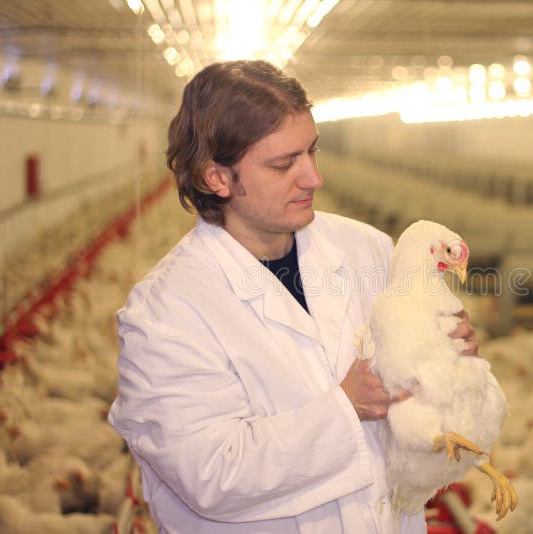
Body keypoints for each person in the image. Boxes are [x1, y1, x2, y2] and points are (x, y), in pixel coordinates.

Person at [108, 60, 478, 534]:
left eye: (312, 152)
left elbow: (419, 408)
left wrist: (447, 358)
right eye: (284, 164)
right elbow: (213, 474)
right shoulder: (165, 313)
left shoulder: (367, 249)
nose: (313, 178)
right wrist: (347, 408)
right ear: (216, 178)